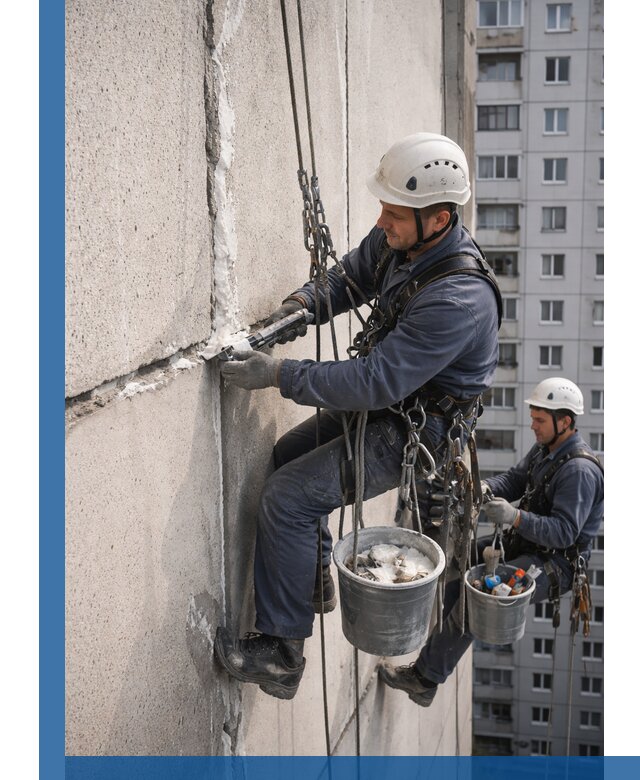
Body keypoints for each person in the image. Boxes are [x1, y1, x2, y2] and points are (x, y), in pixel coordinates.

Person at [214, 132, 501, 700]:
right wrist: (298, 310)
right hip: (394, 406)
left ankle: (281, 654)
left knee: (289, 497)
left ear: (440, 218)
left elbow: (373, 382)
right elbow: (350, 276)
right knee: (284, 458)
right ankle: (310, 577)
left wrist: (276, 375)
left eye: (393, 213)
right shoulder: (406, 236)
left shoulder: (459, 300)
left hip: (416, 430)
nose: (382, 221)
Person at [378, 377, 604, 707]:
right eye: (533, 417)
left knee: (478, 598)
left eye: (540, 420)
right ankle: (434, 655)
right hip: (528, 545)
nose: (533, 426)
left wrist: (514, 518)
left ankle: (425, 679)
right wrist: (484, 489)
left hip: (553, 564)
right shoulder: (548, 450)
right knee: (459, 567)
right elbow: (514, 479)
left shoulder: (579, 471)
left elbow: (564, 533)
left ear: (565, 421)